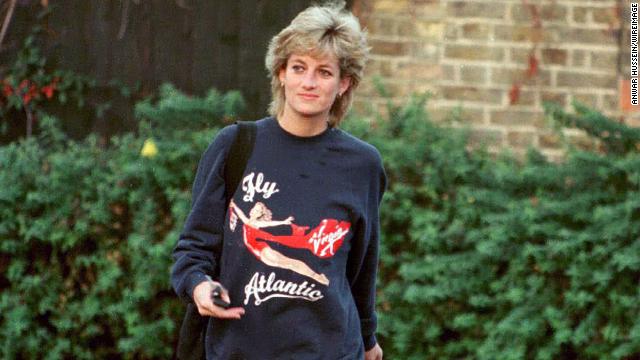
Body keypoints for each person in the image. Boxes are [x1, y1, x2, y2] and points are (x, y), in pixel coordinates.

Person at [171, 1, 386, 359]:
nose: (309, 82)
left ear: (344, 83)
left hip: (330, 350)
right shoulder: (236, 146)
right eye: (299, 67)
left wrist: (367, 339)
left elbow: (361, 268)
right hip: (238, 348)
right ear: (281, 72)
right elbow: (193, 248)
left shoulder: (362, 164)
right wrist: (198, 287)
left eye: (324, 72)